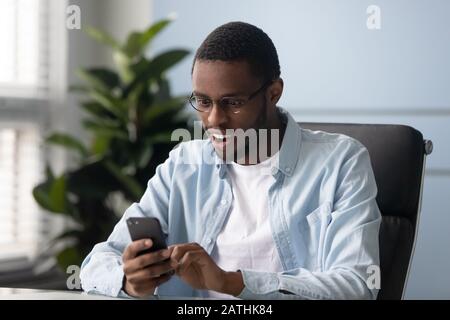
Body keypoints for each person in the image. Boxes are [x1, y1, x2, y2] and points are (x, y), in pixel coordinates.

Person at [80, 21, 381, 300]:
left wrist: (230, 282)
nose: (214, 120)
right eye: (203, 101)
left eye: (232, 103)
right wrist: (130, 281)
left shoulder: (341, 162)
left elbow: (358, 285)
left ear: (274, 93)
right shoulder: (183, 165)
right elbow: (97, 263)